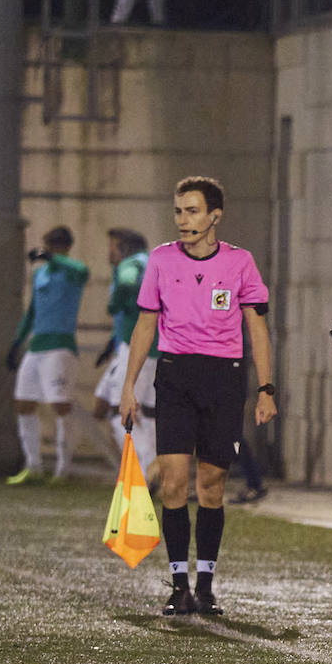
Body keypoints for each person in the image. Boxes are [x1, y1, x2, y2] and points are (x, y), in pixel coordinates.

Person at [119, 176, 277, 616]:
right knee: (172, 480)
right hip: (174, 375)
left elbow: (257, 330)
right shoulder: (161, 261)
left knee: (211, 485)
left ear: (214, 217)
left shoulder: (240, 263)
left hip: (225, 379)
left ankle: (205, 585)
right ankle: (177, 585)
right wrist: (128, 386)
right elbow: (145, 325)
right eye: (178, 211)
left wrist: (266, 389)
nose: (183, 220)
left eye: (192, 211)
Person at [6, 226, 89, 484]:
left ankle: (63, 469)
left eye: (55, 247)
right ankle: (33, 465)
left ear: (65, 247)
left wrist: (54, 258)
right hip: (36, 347)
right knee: (23, 402)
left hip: (60, 347)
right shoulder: (41, 273)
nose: (51, 251)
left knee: (60, 405)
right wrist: (17, 342)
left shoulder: (73, 271)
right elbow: (32, 310)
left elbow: (82, 271)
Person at [92, 228, 157, 479]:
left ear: (124, 248)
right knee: (139, 411)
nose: (109, 252)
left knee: (122, 411)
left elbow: (128, 282)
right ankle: (146, 466)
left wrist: (115, 302)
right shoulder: (153, 262)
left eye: (112, 247)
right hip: (150, 348)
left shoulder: (131, 264)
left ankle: (146, 467)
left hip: (136, 350)